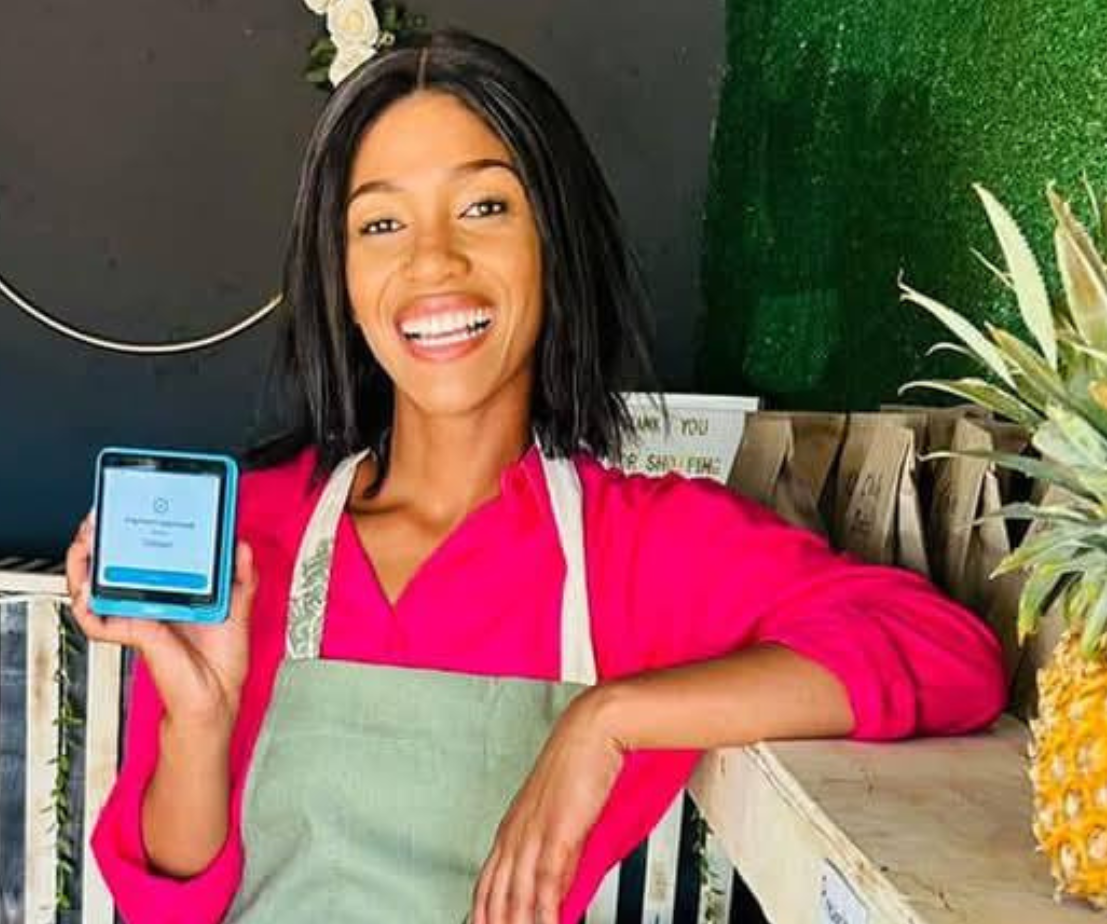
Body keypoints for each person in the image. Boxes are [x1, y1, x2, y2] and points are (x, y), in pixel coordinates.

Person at [63, 29, 1005, 924]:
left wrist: (608, 720)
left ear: (554, 242)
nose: (433, 261)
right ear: (341, 279)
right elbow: (165, 907)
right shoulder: (247, 535)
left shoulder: (641, 550)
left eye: (484, 207)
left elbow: (947, 656)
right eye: (381, 223)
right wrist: (200, 717)